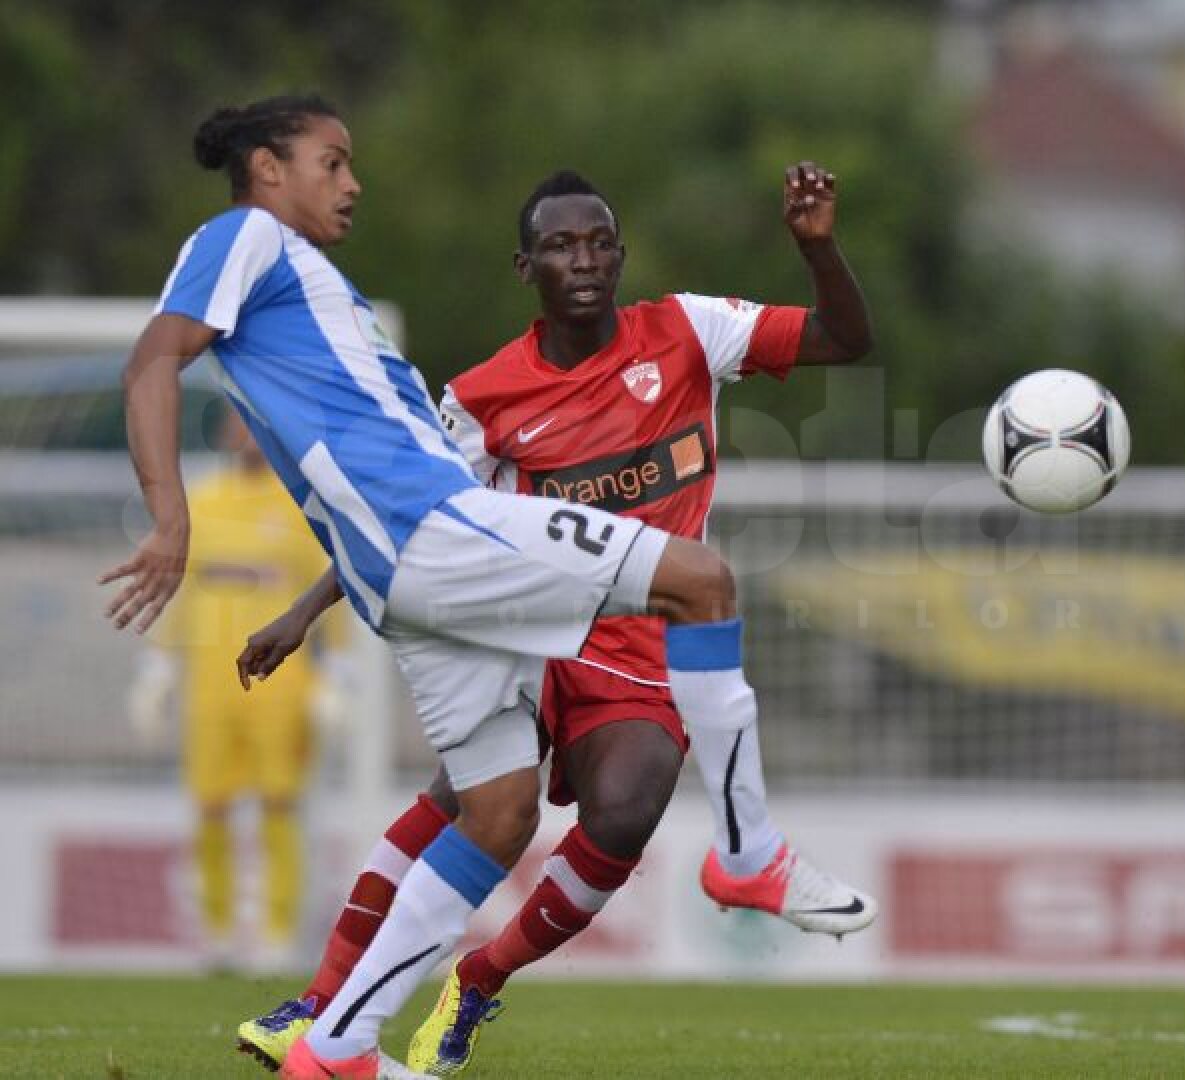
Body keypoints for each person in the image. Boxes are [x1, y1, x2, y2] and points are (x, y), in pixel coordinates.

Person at [98, 94, 816, 1080]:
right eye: (332, 162)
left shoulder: (307, 279)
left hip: (405, 567)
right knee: (700, 579)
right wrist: (171, 519)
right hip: (433, 530)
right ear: (267, 168)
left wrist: (306, 609)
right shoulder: (246, 239)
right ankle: (748, 855)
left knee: (499, 810)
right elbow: (153, 360)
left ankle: (337, 1043)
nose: (353, 183)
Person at [234, 165, 876, 1075]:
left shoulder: (688, 331)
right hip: (533, 631)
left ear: (621, 256)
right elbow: (409, 521)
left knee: (625, 817)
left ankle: (479, 979)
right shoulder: (482, 398)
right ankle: (318, 1006)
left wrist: (818, 249)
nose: (584, 260)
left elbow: (843, 339)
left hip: (650, 641)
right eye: (561, 246)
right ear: (525, 266)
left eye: (601, 243)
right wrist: (304, 611)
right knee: (470, 803)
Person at [127, 408, 344, 971]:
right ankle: (218, 932)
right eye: (235, 423)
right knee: (210, 807)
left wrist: (336, 674)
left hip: (280, 681)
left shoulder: (300, 506)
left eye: (252, 423)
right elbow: (181, 588)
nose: (243, 434)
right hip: (208, 681)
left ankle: (277, 934)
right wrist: (159, 667)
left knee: (279, 804)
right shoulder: (201, 501)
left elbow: (328, 589)